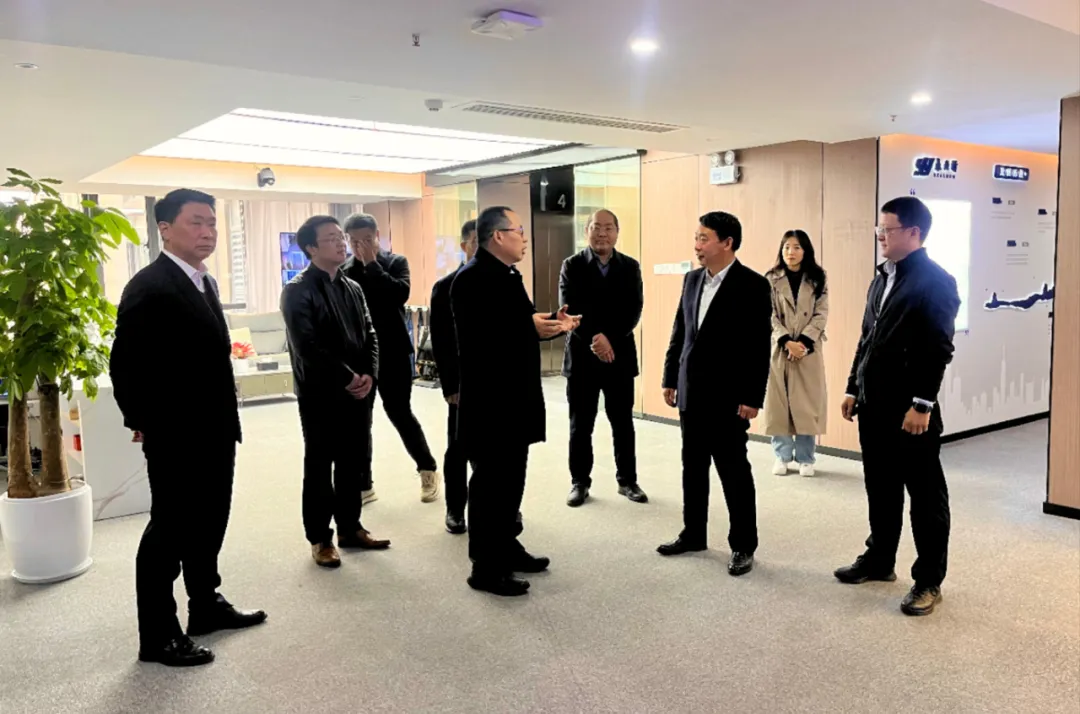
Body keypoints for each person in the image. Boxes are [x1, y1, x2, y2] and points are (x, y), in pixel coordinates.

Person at [110, 189, 266, 668]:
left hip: (215, 428)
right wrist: (144, 422)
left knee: (209, 521)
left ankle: (205, 604)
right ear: (165, 229)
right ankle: (158, 636)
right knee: (170, 531)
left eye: (212, 223)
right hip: (177, 435)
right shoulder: (149, 287)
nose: (208, 232)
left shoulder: (204, 281)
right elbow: (126, 366)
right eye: (196, 222)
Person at [836, 196, 959, 617]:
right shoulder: (881, 279)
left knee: (925, 496)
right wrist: (853, 387)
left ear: (914, 233)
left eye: (887, 230)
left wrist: (922, 403)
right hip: (873, 404)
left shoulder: (936, 281)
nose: (880, 236)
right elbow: (866, 339)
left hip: (911, 412)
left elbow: (938, 348)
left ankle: (928, 580)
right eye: (879, 229)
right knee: (881, 487)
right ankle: (879, 559)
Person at [451, 205, 578, 596]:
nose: (524, 238)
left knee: (511, 482)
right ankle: (485, 568)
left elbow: (515, 324)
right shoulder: (472, 278)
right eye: (518, 230)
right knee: (490, 486)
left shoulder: (506, 274)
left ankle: (506, 547)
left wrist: (548, 322)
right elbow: (485, 339)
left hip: (514, 397)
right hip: (492, 403)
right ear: (498, 236)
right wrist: (533, 327)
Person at [657, 211, 772, 577]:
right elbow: (680, 331)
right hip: (691, 390)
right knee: (692, 467)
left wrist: (752, 397)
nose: (697, 245)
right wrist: (670, 377)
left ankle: (743, 544)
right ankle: (693, 534)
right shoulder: (692, 279)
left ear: (727, 242)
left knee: (733, 471)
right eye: (696, 237)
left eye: (703, 238)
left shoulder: (753, 285)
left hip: (728, 396)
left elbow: (758, 346)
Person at [281, 215, 391, 569]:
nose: (342, 243)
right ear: (311, 248)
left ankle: (350, 528)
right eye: (331, 238)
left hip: (358, 391)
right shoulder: (297, 289)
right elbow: (306, 346)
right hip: (320, 393)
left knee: (352, 461)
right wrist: (347, 377)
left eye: (340, 236)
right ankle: (320, 538)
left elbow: (370, 333)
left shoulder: (352, 287)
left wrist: (369, 375)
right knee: (319, 464)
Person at [342, 213, 439, 504]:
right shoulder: (344, 271)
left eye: (366, 240)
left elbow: (399, 295)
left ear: (377, 236)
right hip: (359, 356)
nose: (360, 246)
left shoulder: (396, 262)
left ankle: (427, 469)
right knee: (360, 420)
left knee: (399, 412)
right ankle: (364, 483)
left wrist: (372, 264)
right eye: (354, 241)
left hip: (393, 352)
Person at [559, 209, 647, 507]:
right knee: (580, 425)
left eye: (608, 228)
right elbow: (569, 308)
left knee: (623, 423)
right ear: (586, 231)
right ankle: (579, 482)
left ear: (617, 232)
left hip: (619, 357)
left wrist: (609, 338)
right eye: (596, 227)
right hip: (582, 357)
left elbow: (633, 309)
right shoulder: (572, 265)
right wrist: (596, 339)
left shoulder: (630, 266)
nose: (602, 233)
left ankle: (628, 480)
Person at [763, 230, 829, 477]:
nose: (790, 252)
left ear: (805, 251)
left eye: (796, 247)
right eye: (787, 247)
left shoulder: (818, 278)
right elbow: (767, 314)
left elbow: (821, 313)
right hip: (780, 348)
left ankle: (806, 458)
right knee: (778, 404)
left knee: (806, 405)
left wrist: (802, 342)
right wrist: (786, 341)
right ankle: (781, 456)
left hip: (807, 350)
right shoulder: (771, 278)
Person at [429, 219, 478, 534]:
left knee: (497, 452)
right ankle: (455, 509)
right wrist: (450, 386)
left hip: (498, 382)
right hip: (463, 383)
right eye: (476, 241)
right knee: (459, 448)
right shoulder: (446, 286)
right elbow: (442, 341)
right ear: (464, 246)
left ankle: (501, 507)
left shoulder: (505, 280)